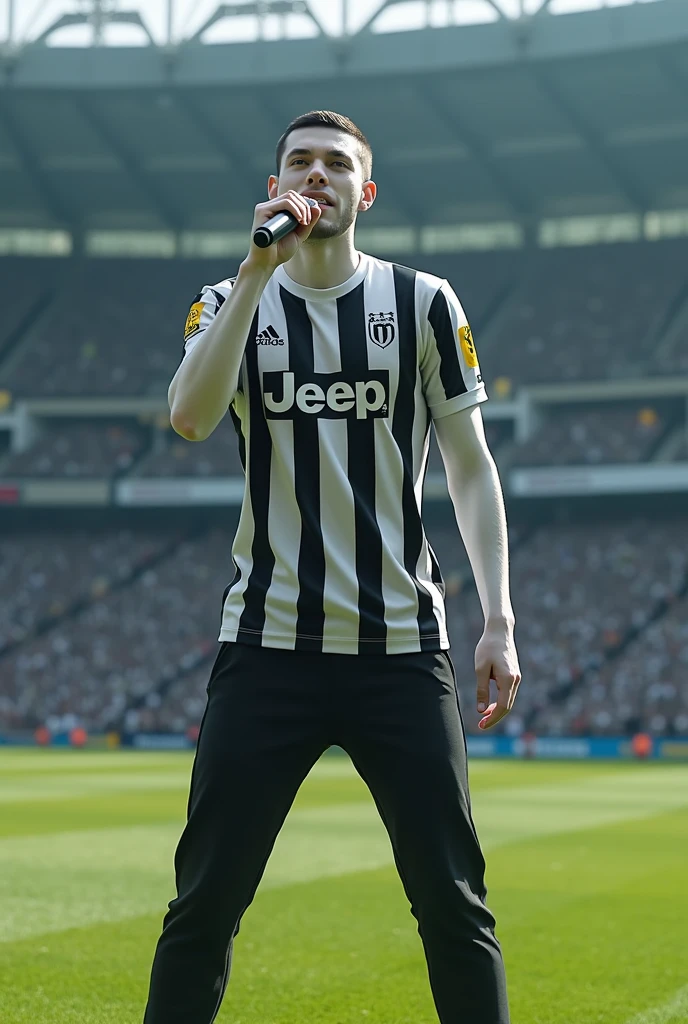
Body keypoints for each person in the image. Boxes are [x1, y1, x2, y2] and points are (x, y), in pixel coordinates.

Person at [144, 109, 521, 1024]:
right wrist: (253, 272)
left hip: (403, 648)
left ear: (367, 190)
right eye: (299, 163)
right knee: (204, 907)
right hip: (267, 644)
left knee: (454, 907)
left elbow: (470, 464)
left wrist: (499, 618)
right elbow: (189, 418)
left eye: (337, 165)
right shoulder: (226, 299)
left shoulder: (425, 303)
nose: (318, 176)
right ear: (275, 188)